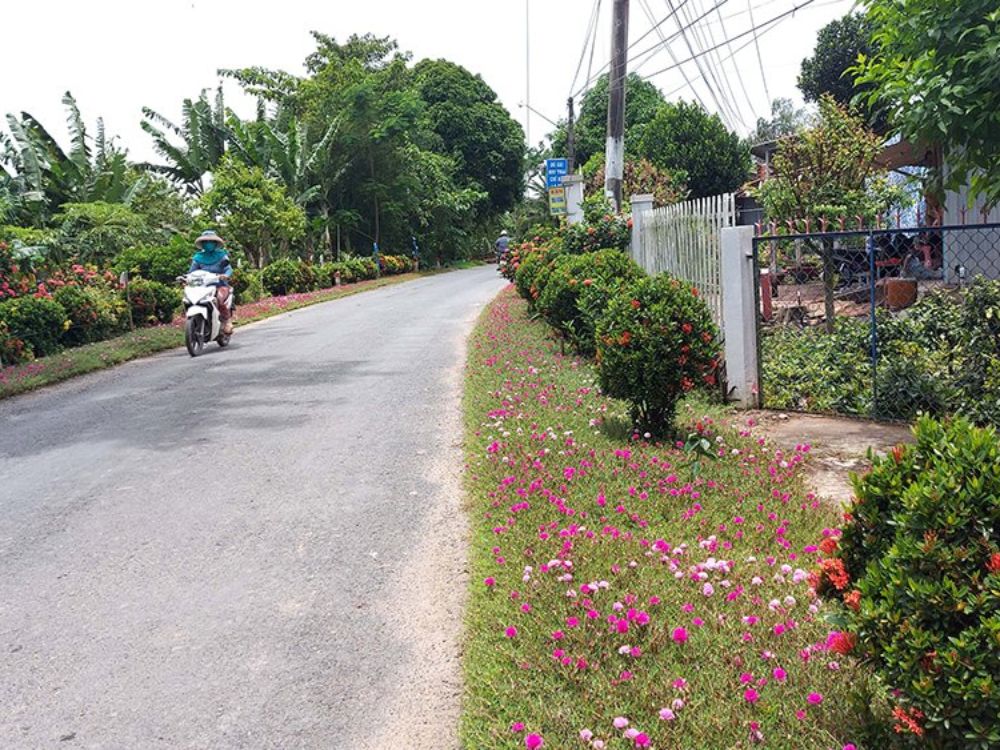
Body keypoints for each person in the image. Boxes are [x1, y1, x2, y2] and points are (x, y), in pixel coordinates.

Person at [190, 230, 235, 334]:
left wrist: (225, 275)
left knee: (218, 299)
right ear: (202, 244)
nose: (208, 244)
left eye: (211, 241)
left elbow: (228, 269)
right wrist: (186, 278)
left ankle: (227, 321)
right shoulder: (197, 258)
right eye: (206, 242)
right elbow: (192, 271)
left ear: (215, 243)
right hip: (202, 287)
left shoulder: (222, 256)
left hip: (220, 286)